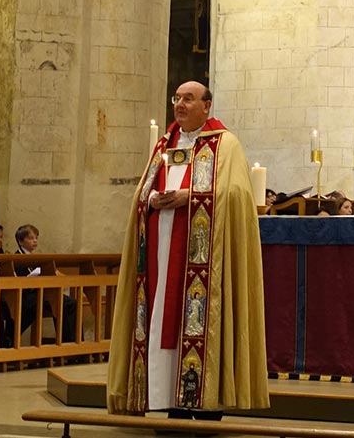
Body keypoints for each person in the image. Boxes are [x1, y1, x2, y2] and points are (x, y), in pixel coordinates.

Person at [107, 81, 268, 418]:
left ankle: (205, 404)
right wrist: (151, 199)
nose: (180, 105)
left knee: (194, 319)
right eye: (177, 99)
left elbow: (237, 196)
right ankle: (164, 400)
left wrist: (190, 199)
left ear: (207, 106)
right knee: (160, 318)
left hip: (204, 256)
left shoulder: (226, 145)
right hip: (160, 249)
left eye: (188, 99)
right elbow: (143, 192)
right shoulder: (164, 145)